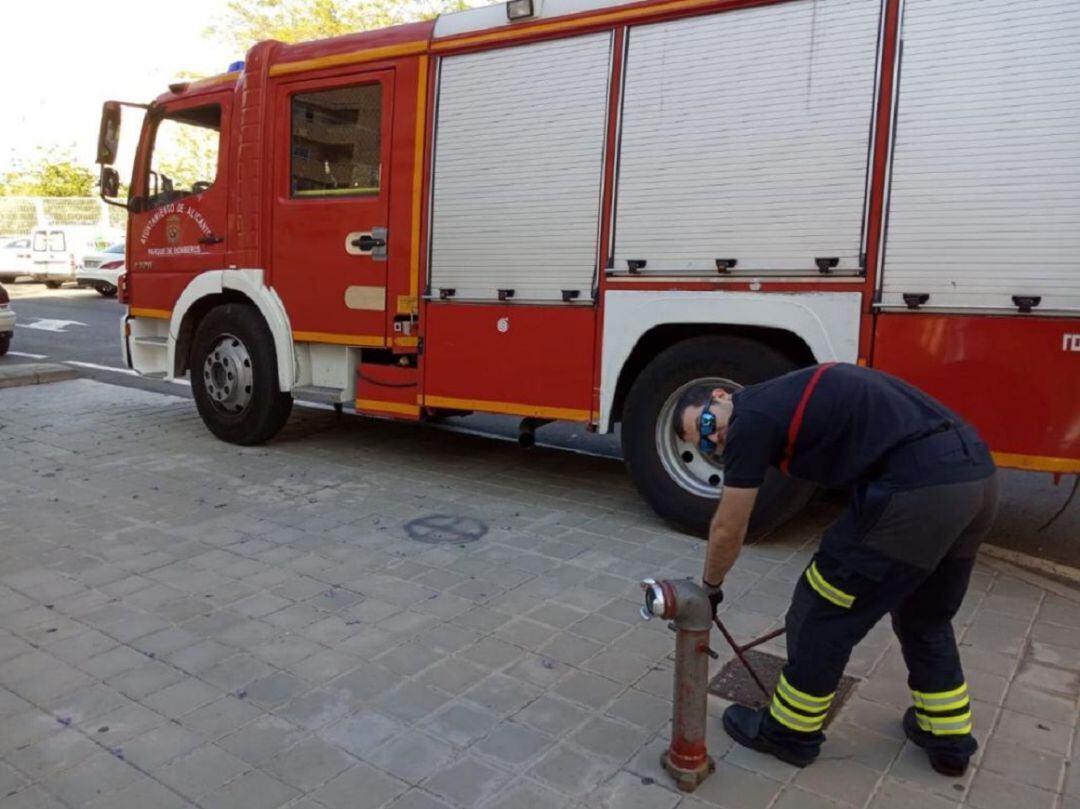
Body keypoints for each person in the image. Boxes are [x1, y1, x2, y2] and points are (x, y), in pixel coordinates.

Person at [674, 362, 998, 775]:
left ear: (721, 395)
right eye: (705, 444)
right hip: (976, 480)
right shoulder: (781, 400)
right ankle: (949, 739)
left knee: (820, 607)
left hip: (920, 489)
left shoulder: (750, 417)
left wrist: (710, 587)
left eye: (707, 423)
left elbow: (728, 526)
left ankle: (788, 734)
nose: (714, 438)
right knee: (925, 616)